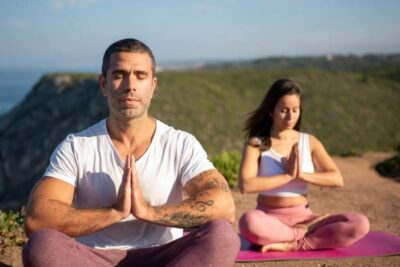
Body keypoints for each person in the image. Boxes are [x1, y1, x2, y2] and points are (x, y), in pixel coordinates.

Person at [22, 38, 240, 267]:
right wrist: (114, 212)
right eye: (119, 75)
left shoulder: (180, 143)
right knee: (42, 244)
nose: (130, 85)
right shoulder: (77, 146)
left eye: (140, 75)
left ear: (153, 85)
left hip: (165, 258)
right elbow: (37, 218)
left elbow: (224, 205)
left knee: (222, 236)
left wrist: (149, 212)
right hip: (94, 259)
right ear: (103, 85)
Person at [238, 78, 369, 252]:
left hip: (305, 217)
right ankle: (300, 235)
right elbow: (245, 185)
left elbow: (336, 179)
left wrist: (301, 175)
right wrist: (286, 176)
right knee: (248, 222)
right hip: (269, 218)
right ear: (271, 110)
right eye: (284, 110)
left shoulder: (310, 141)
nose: (290, 116)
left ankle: (296, 243)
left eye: (295, 110)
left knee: (360, 223)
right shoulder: (256, 144)